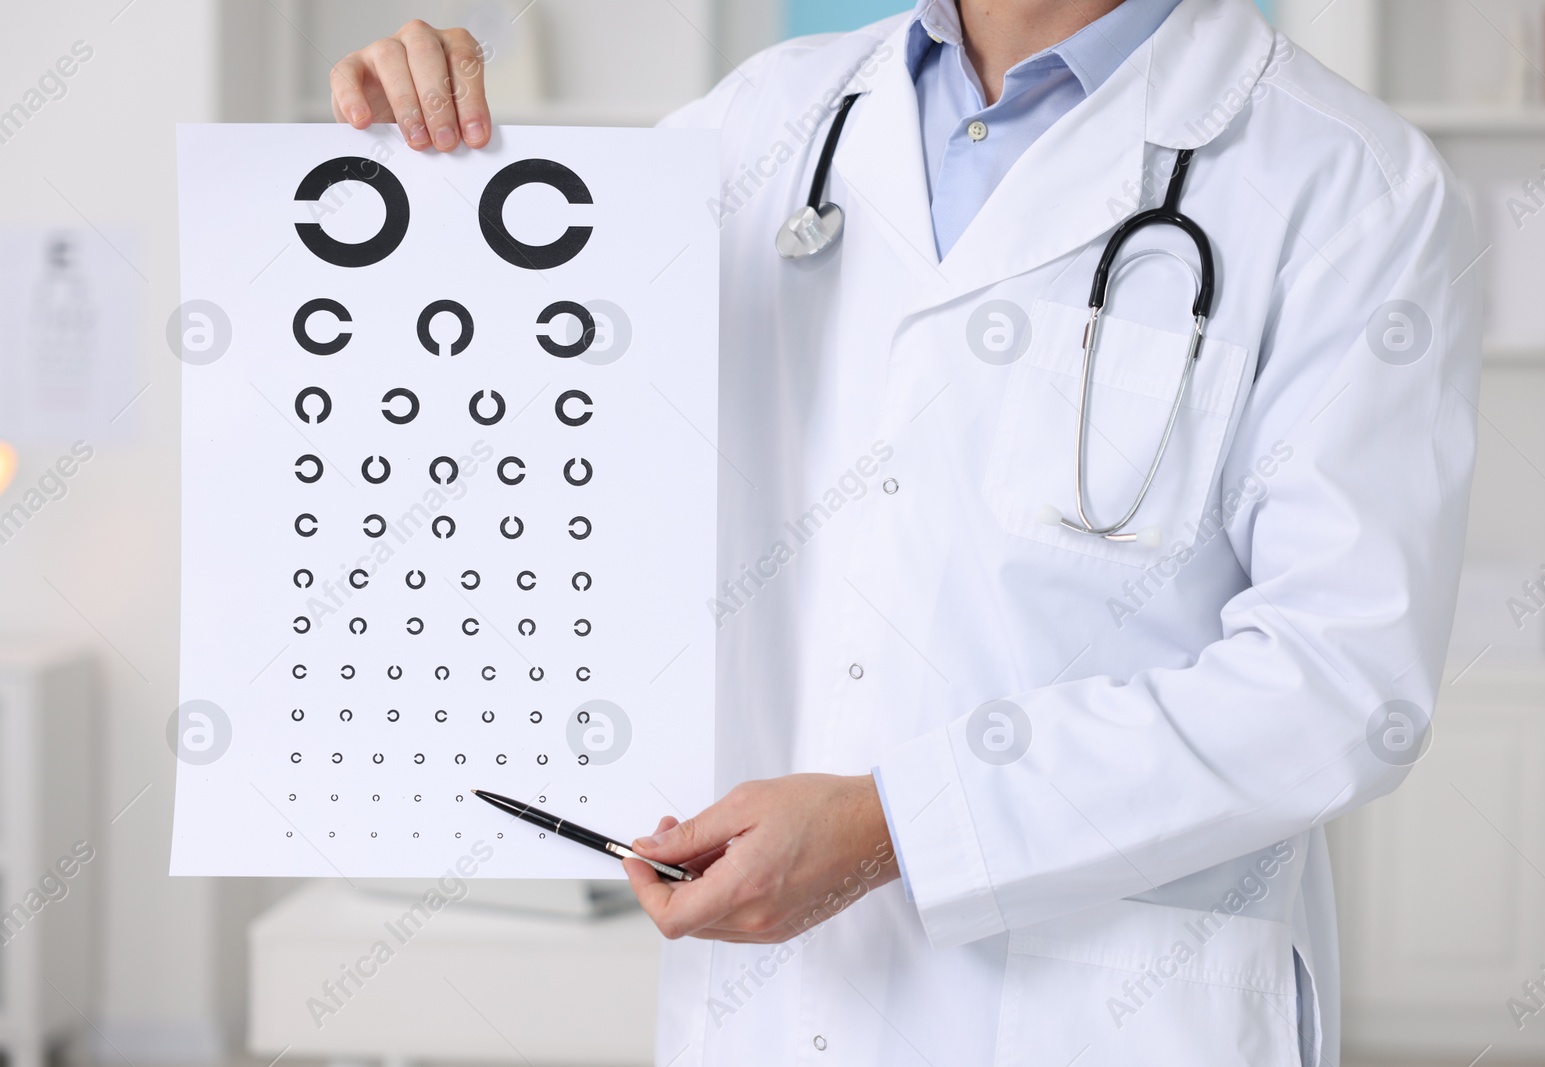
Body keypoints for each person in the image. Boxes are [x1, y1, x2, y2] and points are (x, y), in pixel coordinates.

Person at [330, 0, 1479, 1063]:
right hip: (772, 1002)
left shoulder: (1349, 185)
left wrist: (898, 826)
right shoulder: (760, 120)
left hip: (1108, 1013)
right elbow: (516, 417)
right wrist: (427, 160)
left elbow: (1338, 687)